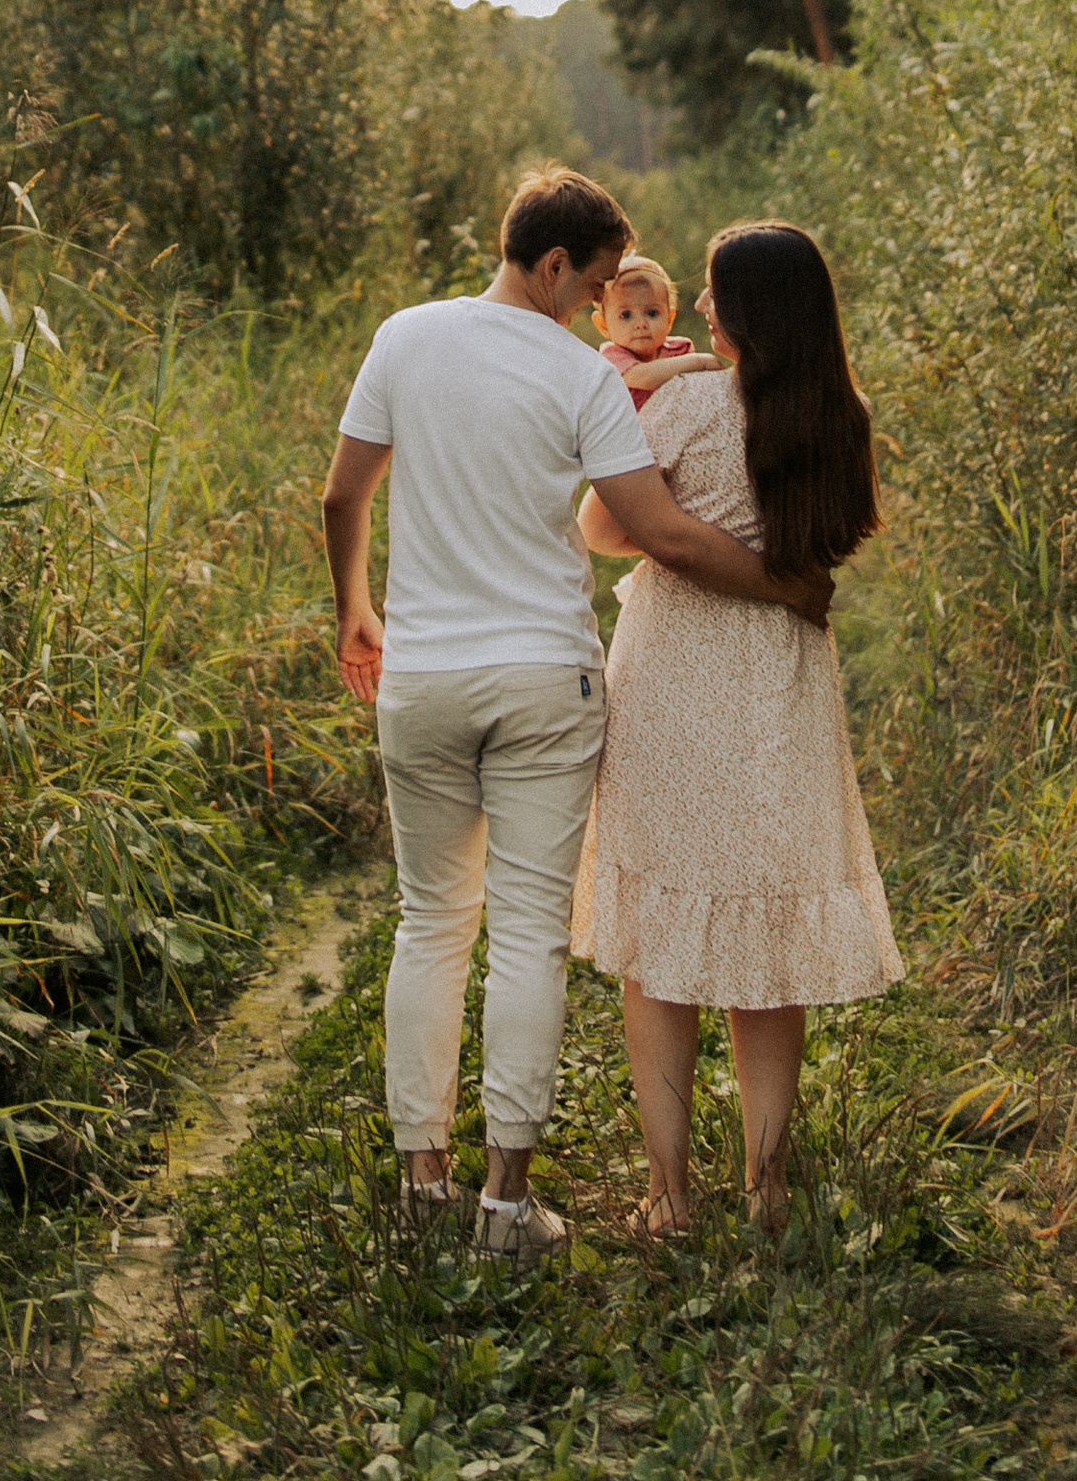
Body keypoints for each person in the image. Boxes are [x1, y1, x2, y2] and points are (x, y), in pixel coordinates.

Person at [321, 168, 836, 1263]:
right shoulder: (578, 374)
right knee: (527, 938)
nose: (608, 304)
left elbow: (342, 494)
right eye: (600, 282)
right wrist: (782, 585)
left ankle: (424, 1187)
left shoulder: (403, 338)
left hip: (422, 678)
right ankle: (508, 1203)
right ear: (555, 266)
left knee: (429, 923)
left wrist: (355, 611)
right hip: (545, 680)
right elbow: (665, 531)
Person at [572, 220, 900, 1234]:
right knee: (764, 939)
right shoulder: (840, 415)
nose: (700, 309)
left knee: (658, 947)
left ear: (749, 313)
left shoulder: (689, 404)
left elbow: (602, 529)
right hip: (778, 685)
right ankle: (765, 1185)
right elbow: (836, 537)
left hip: (674, 672)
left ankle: (669, 1196)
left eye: (714, 294)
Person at [591, 253, 718, 406]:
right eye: (626, 315)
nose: (641, 324)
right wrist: (702, 362)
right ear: (603, 324)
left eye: (652, 313)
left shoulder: (680, 349)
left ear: (669, 319)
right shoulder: (611, 356)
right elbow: (645, 377)